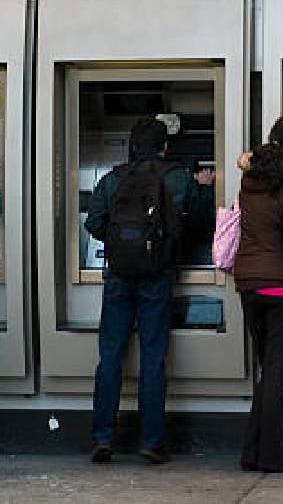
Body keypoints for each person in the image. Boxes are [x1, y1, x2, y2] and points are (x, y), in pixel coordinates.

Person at [84, 117, 213, 465]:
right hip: (157, 276)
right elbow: (202, 224)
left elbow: (93, 223)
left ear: (131, 145)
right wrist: (202, 188)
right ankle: (152, 442)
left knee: (110, 356)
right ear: (164, 147)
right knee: (153, 358)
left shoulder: (112, 179)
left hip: (118, 277)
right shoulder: (178, 177)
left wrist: (122, 245)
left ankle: (102, 438)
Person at [234, 115, 283, 472]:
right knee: (280, 374)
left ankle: (253, 452)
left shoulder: (249, 179)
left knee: (267, 370)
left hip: (250, 283)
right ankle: (275, 455)